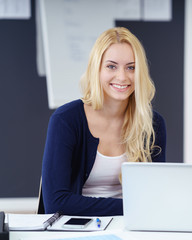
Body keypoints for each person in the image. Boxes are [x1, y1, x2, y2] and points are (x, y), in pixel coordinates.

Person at [41, 27, 166, 216]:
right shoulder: (66, 120)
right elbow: (56, 203)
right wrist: (131, 208)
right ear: (96, 69)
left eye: (131, 67)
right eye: (111, 66)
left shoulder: (153, 124)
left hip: (132, 227)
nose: (122, 77)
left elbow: (156, 196)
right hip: (77, 227)